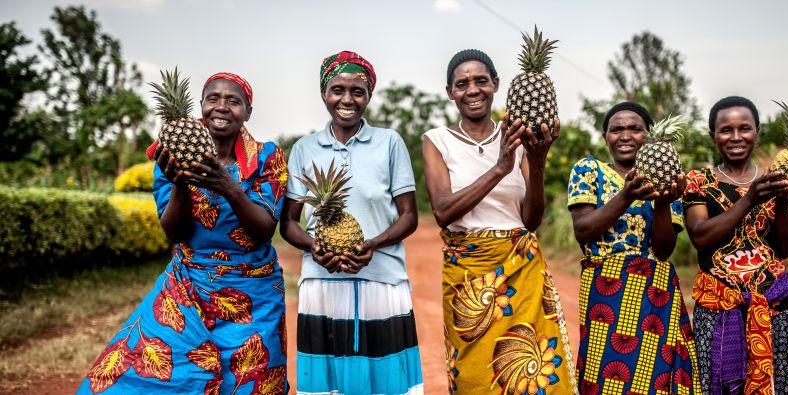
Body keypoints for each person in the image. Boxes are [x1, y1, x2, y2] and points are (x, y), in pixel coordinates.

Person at [78, 72, 289, 394]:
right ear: (201, 106)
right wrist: (180, 182)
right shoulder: (172, 153)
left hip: (252, 292)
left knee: (248, 382)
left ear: (247, 111)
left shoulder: (266, 157)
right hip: (187, 283)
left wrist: (227, 186)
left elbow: (263, 230)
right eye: (212, 99)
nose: (221, 107)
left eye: (233, 101)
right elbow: (174, 232)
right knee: (142, 373)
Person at [423, 49, 576, 394]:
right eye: (462, 84)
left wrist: (536, 163)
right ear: (450, 92)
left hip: (520, 269)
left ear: (495, 84)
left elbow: (531, 220)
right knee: (474, 375)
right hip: (467, 276)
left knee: (534, 374)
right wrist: (499, 169)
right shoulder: (437, 141)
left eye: (480, 81)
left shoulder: (519, 137)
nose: (472, 90)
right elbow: (443, 212)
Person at [280, 50, 423, 394]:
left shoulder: (389, 143)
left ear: (369, 96)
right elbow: (288, 223)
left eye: (357, 91)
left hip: (383, 280)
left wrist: (373, 243)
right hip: (322, 280)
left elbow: (409, 215)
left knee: (386, 382)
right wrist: (316, 248)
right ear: (323, 94)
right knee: (327, 383)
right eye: (337, 90)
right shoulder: (304, 148)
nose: (347, 99)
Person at [567, 102, 699, 394]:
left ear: (648, 136)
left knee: (657, 379)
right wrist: (626, 195)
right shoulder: (589, 170)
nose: (625, 135)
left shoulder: (666, 176)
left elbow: (664, 250)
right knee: (606, 375)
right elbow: (583, 231)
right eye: (617, 129)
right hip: (607, 290)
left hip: (655, 292)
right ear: (605, 137)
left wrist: (663, 201)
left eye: (635, 129)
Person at [684, 96, 788, 394]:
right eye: (725, 130)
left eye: (745, 128)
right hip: (717, 307)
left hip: (770, 306)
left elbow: (786, 247)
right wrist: (749, 199)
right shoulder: (699, 181)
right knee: (716, 383)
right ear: (712, 134)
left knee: (776, 384)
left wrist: (782, 200)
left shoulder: (777, 179)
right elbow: (700, 237)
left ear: (758, 131)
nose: (736, 137)